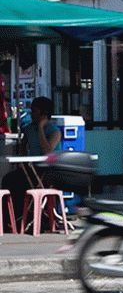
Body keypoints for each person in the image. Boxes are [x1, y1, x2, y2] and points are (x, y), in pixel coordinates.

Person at [1, 96, 62, 228]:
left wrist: (40, 128)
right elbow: (23, 148)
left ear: (44, 113)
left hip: (48, 171)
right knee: (9, 180)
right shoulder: (28, 129)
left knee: (24, 184)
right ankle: (10, 219)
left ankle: (37, 216)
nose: (32, 114)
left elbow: (47, 151)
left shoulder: (55, 132)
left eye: (34, 111)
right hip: (32, 169)